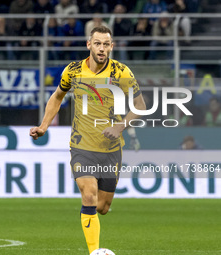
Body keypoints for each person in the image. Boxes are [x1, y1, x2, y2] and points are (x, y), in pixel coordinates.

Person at [30, 25, 146, 253]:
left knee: (102, 207)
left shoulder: (121, 72)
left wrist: (120, 127)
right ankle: (94, 252)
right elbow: (57, 97)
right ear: (89, 45)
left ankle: (94, 218)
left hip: (111, 149)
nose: (101, 49)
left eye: (106, 44)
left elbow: (140, 107)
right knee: (89, 194)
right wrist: (44, 126)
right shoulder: (73, 71)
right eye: (97, 43)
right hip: (81, 146)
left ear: (111, 47)